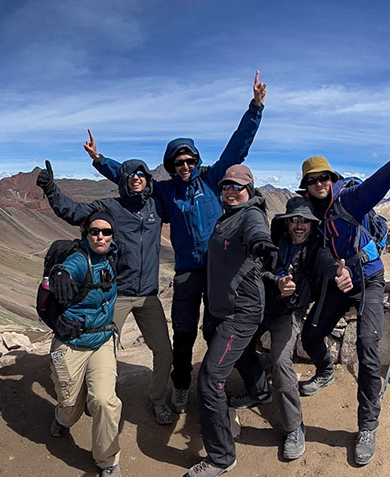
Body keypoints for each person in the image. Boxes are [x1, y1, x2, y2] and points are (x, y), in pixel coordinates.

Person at [93, 72, 266, 421]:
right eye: (178, 163)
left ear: (197, 161)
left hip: (221, 273)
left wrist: (255, 108)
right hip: (188, 274)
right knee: (184, 334)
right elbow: (133, 181)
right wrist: (100, 161)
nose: (184, 167)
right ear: (171, 166)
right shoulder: (167, 191)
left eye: (189, 161)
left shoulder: (214, 180)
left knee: (222, 328)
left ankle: (251, 384)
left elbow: (238, 146)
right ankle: (182, 385)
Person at [295, 128, 390, 466]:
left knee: (368, 348)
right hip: (341, 280)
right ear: (305, 186)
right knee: (311, 335)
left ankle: (367, 426)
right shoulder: (309, 212)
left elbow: (376, 186)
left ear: (332, 178)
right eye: (312, 180)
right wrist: (332, 270)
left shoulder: (347, 200)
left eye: (324, 177)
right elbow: (311, 248)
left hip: (369, 279)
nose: (319, 184)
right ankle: (325, 370)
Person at [38, 149, 175, 425]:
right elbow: (74, 212)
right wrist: (52, 190)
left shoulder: (157, 206)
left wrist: (100, 160)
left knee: (164, 350)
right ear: (122, 181)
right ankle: (98, 397)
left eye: (141, 174)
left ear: (147, 179)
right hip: (117, 296)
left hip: (148, 296)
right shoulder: (110, 208)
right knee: (104, 349)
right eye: (130, 175)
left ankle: (158, 398)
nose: (136, 179)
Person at [185, 165, 275, 477]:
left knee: (210, 380)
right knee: (244, 353)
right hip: (222, 308)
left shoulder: (250, 214)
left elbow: (257, 233)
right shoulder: (226, 216)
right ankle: (260, 392)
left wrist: (262, 243)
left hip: (241, 312)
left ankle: (221, 457)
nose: (231, 191)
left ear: (250, 190)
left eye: (237, 187)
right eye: (226, 186)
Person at [231, 196, 333, 461]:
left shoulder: (315, 251)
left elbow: (326, 262)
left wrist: (337, 271)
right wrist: (277, 282)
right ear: (287, 223)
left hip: (289, 313)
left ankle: (294, 427)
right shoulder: (277, 244)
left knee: (280, 362)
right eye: (294, 220)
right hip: (263, 305)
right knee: (236, 344)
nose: (299, 225)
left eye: (304, 221)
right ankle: (259, 390)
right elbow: (259, 270)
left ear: (312, 225)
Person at [44, 212, 123, 477]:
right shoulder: (79, 259)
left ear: (113, 236)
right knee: (69, 406)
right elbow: (68, 268)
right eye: (94, 232)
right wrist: (60, 272)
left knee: (104, 401)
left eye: (106, 232)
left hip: (101, 341)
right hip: (70, 345)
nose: (100, 237)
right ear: (86, 234)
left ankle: (107, 460)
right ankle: (61, 417)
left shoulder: (113, 255)